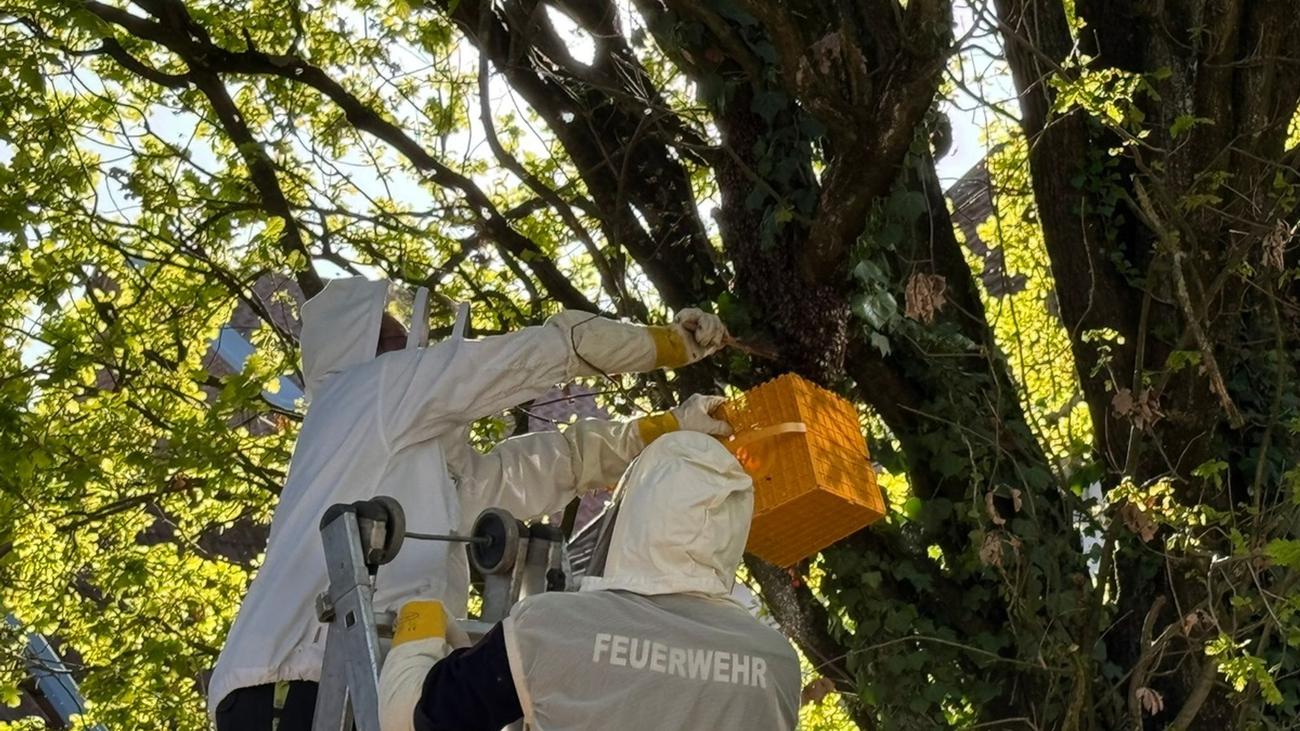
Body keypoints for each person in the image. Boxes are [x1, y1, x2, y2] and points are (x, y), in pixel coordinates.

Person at [208, 277, 734, 729]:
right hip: (292, 682)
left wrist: (667, 429)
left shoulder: (423, 464)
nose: (420, 351)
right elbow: (522, 361)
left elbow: (551, 466)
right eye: (396, 340)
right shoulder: (363, 394)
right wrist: (662, 344)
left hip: (363, 681)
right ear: (359, 352)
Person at [378, 431, 802, 731]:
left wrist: (421, 626)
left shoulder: (555, 627)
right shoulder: (777, 663)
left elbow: (410, 722)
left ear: (634, 510)